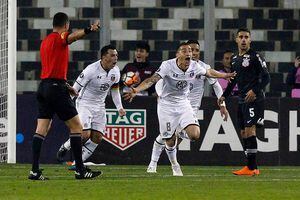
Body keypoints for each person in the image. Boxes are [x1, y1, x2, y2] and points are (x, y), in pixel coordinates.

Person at [124, 42, 235, 176]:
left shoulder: (196, 66)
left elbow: (209, 73)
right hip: (167, 105)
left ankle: (169, 141)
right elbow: (153, 80)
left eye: (192, 51)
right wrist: (136, 90)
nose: (190, 53)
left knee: (194, 134)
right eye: (186, 50)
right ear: (178, 54)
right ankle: (173, 164)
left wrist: (224, 76)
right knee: (169, 141)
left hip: (184, 104)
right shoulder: (167, 65)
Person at [28, 12, 101, 180]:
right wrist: (89, 29)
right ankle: (80, 171)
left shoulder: (45, 41)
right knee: (77, 127)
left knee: (41, 129)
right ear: (66, 25)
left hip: (44, 87)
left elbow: (52, 69)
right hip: (55, 88)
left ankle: (34, 170)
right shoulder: (60, 36)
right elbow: (72, 37)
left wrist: (66, 85)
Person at [56, 45, 126, 168]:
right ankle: (66, 146)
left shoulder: (116, 71)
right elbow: (75, 88)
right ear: (104, 57)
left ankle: (77, 163)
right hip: (85, 104)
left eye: (117, 56)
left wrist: (119, 108)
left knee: (97, 138)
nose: (116, 58)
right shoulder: (91, 70)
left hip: (100, 106)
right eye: (112, 55)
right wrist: (66, 105)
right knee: (85, 135)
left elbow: (114, 90)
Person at [218, 28, 270, 176]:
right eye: (241, 37)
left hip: (254, 98)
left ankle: (251, 168)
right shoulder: (234, 59)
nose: (243, 39)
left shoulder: (255, 56)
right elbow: (233, 81)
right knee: (243, 132)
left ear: (250, 40)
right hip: (241, 100)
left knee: (250, 130)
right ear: (236, 39)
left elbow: (266, 78)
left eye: (246, 37)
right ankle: (253, 166)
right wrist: (224, 96)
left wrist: (255, 90)